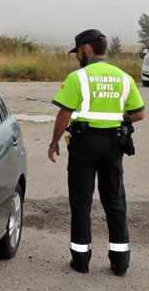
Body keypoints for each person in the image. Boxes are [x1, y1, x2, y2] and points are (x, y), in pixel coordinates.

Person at [48, 29, 144, 276]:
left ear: (87, 49)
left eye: (77, 51)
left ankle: (81, 261)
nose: (77, 56)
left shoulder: (78, 78)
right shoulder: (123, 77)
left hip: (84, 145)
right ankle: (120, 262)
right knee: (115, 200)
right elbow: (139, 114)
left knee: (81, 201)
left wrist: (54, 142)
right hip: (114, 146)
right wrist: (118, 117)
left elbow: (64, 114)